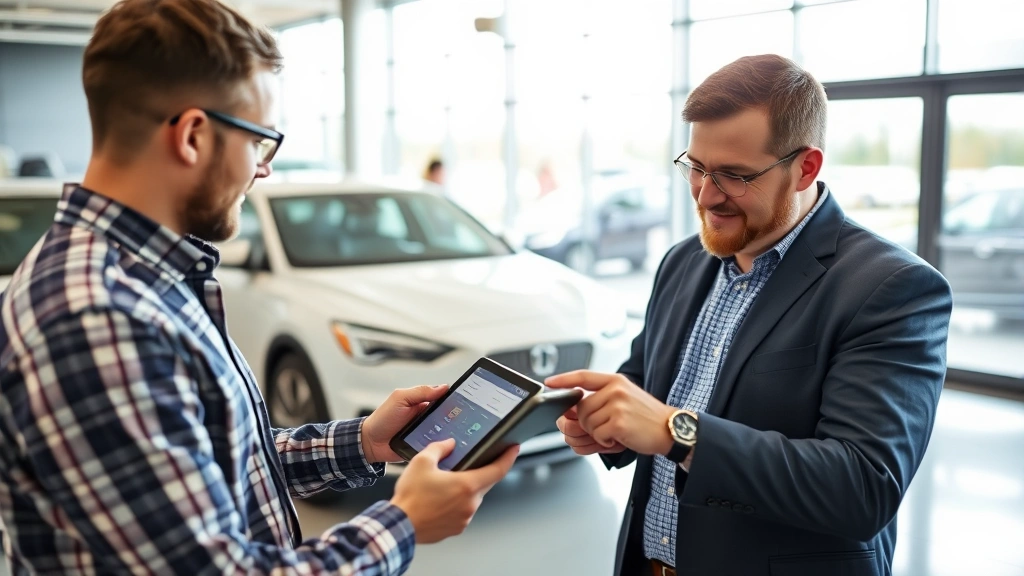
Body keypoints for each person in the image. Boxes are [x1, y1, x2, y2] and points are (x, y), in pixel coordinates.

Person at [0, 1, 517, 574]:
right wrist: (405, 522)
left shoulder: (143, 280)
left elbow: (219, 464)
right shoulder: (97, 317)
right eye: (260, 142)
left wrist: (366, 441)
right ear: (193, 135)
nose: (264, 168)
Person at [547, 54, 952, 576]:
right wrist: (605, 421)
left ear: (806, 167)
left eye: (735, 175)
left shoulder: (891, 288)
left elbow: (862, 487)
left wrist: (677, 431)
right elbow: (648, 385)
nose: (706, 194)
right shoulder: (683, 262)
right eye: (695, 167)